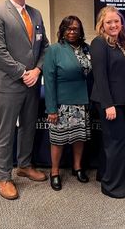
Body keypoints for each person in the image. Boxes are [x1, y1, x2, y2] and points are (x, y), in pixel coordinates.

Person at [0, 0, 49, 200]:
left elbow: (45, 47)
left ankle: (24, 165)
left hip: (33, 81)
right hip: (9, 83)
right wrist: (24, 73)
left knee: (29, 126)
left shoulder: (36, 14)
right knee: (5, 131)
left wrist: (38, 70)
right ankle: (3, 177)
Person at [90, 6, 125, 199]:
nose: (113, 25)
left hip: (122, 101)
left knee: (111, 142)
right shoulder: (99, 43)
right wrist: (108, 104)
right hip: (109, 102)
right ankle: (113, 187)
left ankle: (105, 175)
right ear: (102, 25)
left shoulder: (120, 43)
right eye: (108, 22)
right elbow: (99, 76)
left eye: (116, 21)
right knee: (117, 143)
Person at [43, 16, 92, 191]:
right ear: (62, 30)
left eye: (75, 29)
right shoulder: (54, 50)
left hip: (82, 101)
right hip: (61, 104)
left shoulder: (87, 48)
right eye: (68, 28)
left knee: (79, 138)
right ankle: (54, 172)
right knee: (58, 140)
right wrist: (51, 108)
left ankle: (77, 167)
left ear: (80, 31)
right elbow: (48, 81)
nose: (72, 32)